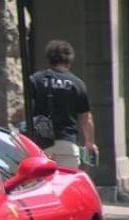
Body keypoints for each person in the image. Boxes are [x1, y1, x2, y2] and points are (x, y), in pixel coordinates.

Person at [29, 39, 98, 168]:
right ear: (69, 60)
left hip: (40, 144)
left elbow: (24, 108)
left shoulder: (36, 79)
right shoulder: (77, 84)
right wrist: (90, 143)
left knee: (40, 184)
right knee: (65, 184)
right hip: (67, 143)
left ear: (49, 58)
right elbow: (86, 118)